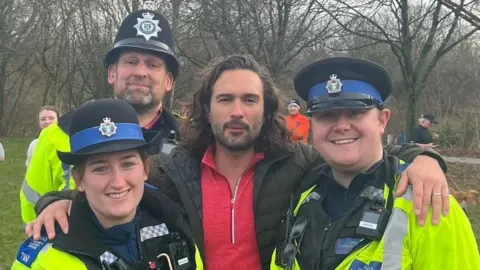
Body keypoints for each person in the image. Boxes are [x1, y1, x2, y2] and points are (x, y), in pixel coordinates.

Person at [28, 55, 450, 270]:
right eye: (224, 99)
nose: (236, 111)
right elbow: (117, 182)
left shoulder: (300, 164)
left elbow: (358, 156)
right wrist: (60, 198)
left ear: (266, 110)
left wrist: (423, 156)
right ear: (205, 109)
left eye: (249, 100)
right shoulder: (172, 169)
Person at [270, 57, 478, 270]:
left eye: (355, 112)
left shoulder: (431, 203)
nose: (341, 126)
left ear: (382, 120)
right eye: (326, 115)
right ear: (312, 124)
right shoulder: (301, 198)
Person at [19, 5, 181, 226]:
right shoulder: (56, 134)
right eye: (131, 61)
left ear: (169, 80)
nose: (141, 72)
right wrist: (50, 204)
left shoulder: (192, 138)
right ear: (112, 73)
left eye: (153, 65)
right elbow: (32, 206)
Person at [12, 99, 203, 270]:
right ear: (79, 179)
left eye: (128, 164)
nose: (118, 182)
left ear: (145, 168)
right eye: (100, 168)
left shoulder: (177, 229)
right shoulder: (44, 260)